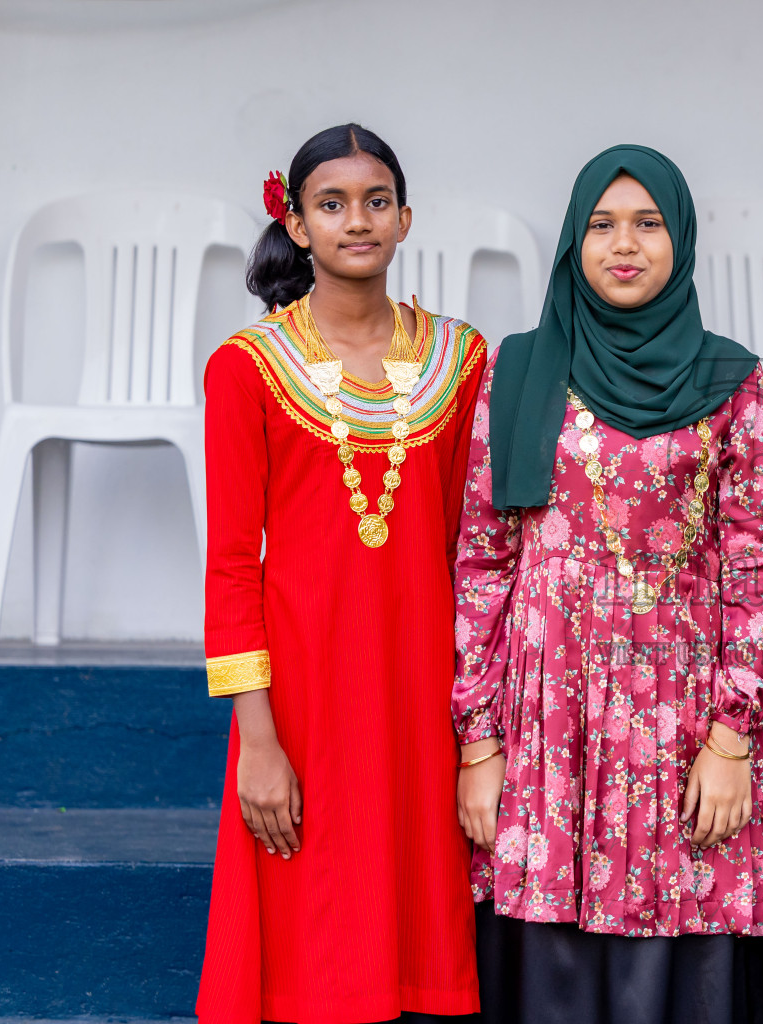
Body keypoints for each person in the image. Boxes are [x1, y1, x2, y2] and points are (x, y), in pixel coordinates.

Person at [451, 144, 763, 1024]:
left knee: (681, 917)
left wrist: (732, 738)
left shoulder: (730, 380)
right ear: (572, 241)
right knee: (545, 945)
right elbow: (483, 564)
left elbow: (753, 565)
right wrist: (478, 745)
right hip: (547, 715)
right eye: (601, 225)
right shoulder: (521, 370)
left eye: (648, 224)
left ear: (681, 240)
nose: (623, 245)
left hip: (679, 708)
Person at [198, 123, 485, 1023]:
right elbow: (232, 564)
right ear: (296, 219)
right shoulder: (246, 369)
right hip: (306, 694)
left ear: (406, 220)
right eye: (331, 204)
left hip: (424, 679)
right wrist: (258, 742)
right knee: (313, 924)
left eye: (375, 202)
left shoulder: (462, 358)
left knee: (421, 913)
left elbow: (474, 545)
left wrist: (483, 723)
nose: (355, 221)